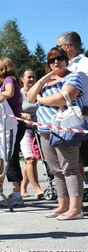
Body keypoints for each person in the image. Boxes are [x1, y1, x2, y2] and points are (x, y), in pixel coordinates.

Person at [27, 47, 84, 220]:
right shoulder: (47, 81)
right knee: (56, 170)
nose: (56, 62)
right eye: (51, 60)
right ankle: (62, 205)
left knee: (70, 168)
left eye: (59, 58)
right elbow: (30, 98)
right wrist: (44, 79)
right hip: (45, 131)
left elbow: (64, 97)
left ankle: (76, 208)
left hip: (64, 129)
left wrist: (41, 100)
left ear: (66, 59)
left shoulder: (75, 76)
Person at [0, 57, 25, 207]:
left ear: (3, 69)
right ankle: (16, 192)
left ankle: (17, 194)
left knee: (11, 158)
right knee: (9, 157)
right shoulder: (11, 80)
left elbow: (9, 93)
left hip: (13, 125)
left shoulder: (9, 80)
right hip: (11, 125)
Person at [56, 31, 88, 184]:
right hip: (73, 122)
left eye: (59, 46)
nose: (57, 50)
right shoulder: (65, 66)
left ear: (67, 46)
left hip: (85, 120)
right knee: (77, 162)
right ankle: (82, 196)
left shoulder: (84, 64)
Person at [19, 69, 44, 199]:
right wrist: (23, 114)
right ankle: (37, 188)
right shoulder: (19, 94)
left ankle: (23, 188)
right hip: (25, 129)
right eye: (28, 77)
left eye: (33, 77)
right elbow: (13, 110)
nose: (31, 79)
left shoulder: (39, 92)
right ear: (22, 79)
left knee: (32, 161)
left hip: (39, 130)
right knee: (30, 159)